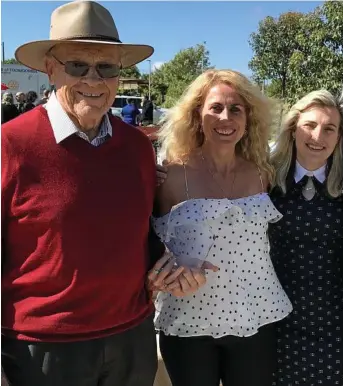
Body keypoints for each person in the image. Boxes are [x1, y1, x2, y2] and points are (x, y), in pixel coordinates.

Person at [1, 2, 207, 385]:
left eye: (107, 67)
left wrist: (165, 266)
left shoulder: (137, 146)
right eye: (77, 65)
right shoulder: (10, 145)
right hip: (42, 350)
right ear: (50, 69)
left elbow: (138, 229)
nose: (94, 80)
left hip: (132, 338)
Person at [149, 69, 292, 386]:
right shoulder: (170, 176)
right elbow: (146, 242)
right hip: (188, 322)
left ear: (248, 117)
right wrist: (166, 271)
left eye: (235, 109)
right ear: (197, 115)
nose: (225, 118)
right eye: (215, 107)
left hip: (256, 316)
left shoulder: (263, 173)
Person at [269, 90, 343, 385]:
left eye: (329, 128)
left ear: (339, 136)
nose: (318, 135)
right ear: (293, 128)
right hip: (275, 318)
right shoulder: (264, 177)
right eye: (310, 125)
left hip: (334, 318)